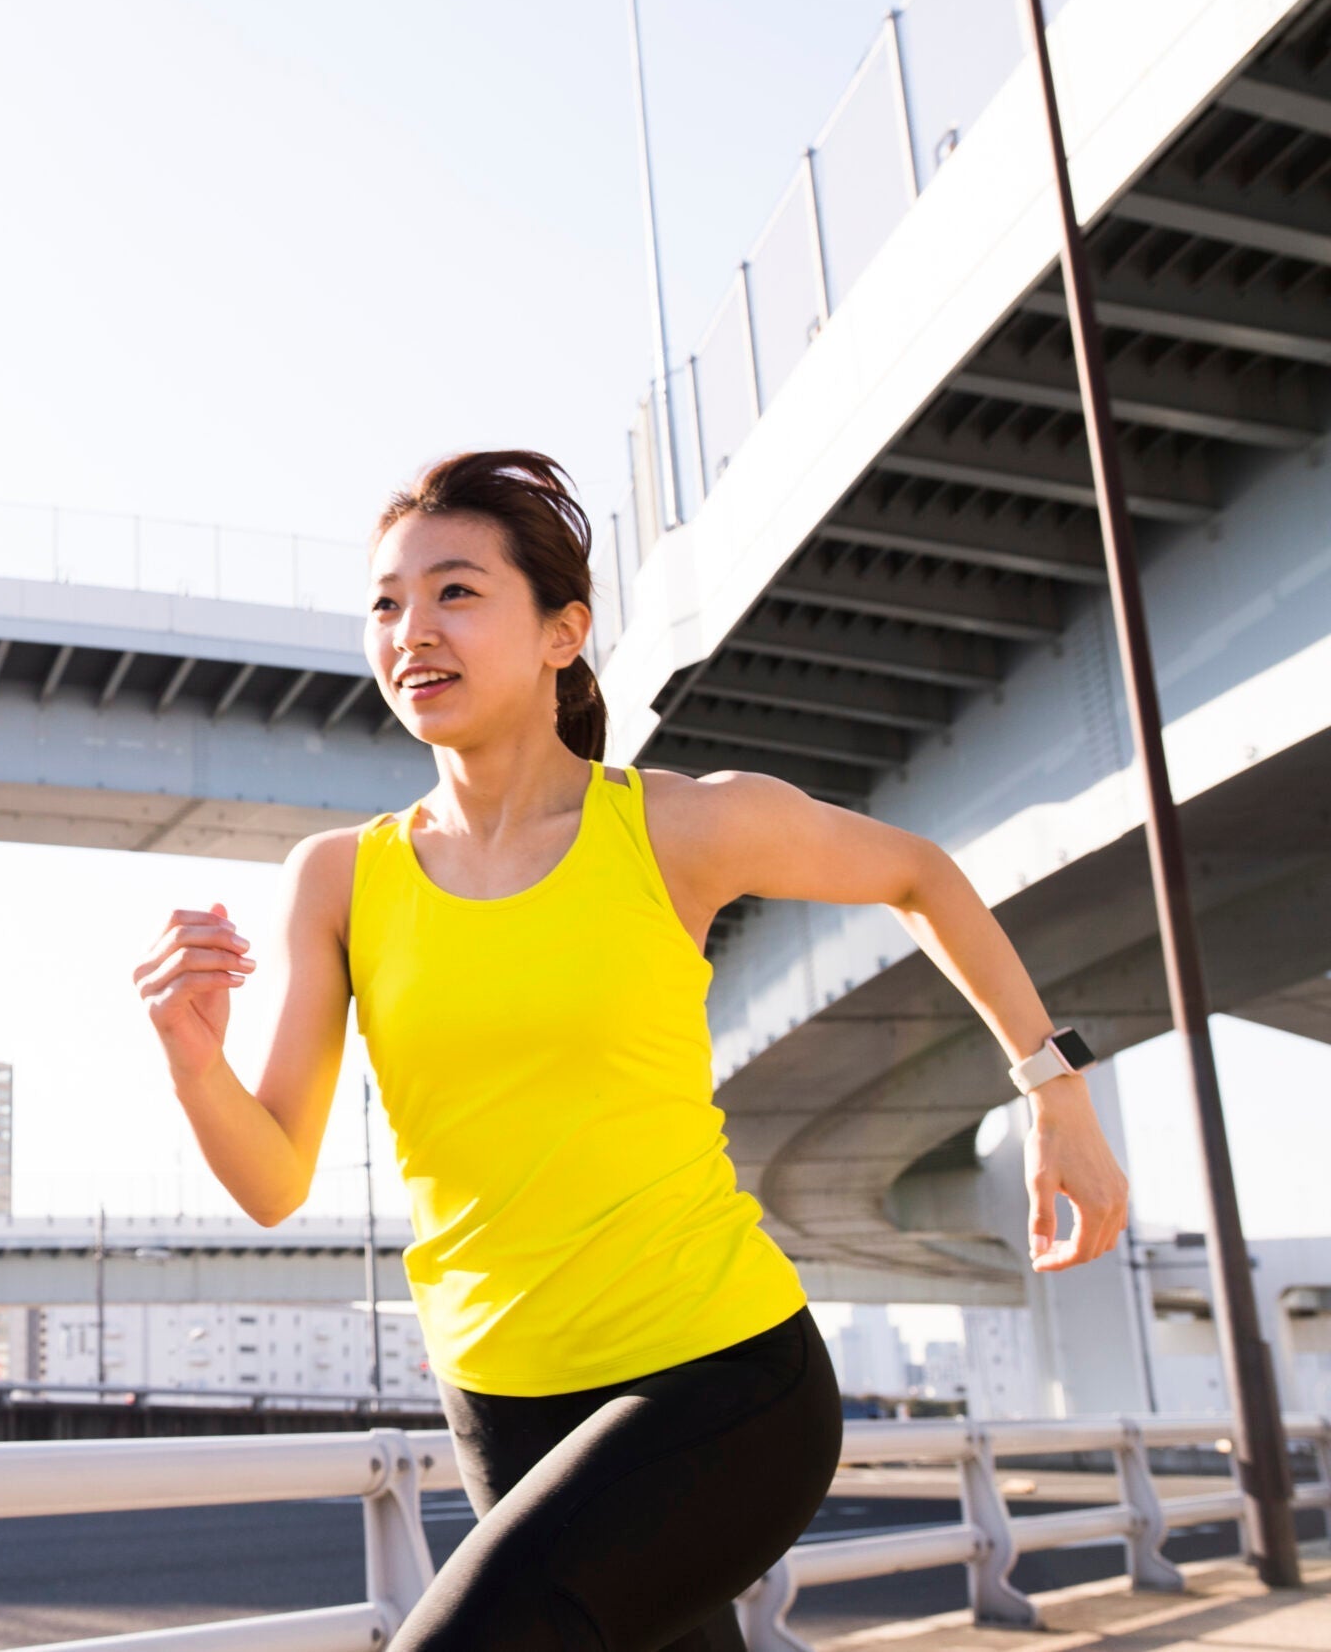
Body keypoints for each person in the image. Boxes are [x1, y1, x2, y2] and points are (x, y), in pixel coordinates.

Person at [131, 451, 1129, 1652]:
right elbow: (276, 1180)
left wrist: (1050, 1085)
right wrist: (195, 1061)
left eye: (455, 592)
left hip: (718, 1380)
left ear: (563, 633)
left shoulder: (675, 828)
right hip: (499, 1402)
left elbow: (919, 873)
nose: (411, 632)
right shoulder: (340, 880)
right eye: (386, 603)